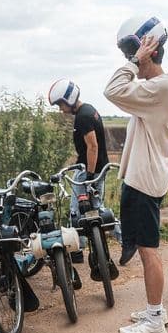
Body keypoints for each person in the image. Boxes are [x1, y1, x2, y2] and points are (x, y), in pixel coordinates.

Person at [104, 15, 168, 333]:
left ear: (149, 49)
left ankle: (154, 320)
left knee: (149, 250)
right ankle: (155, 310)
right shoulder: (153, 89)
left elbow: (112, 89)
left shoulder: (160, 88)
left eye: (129, 53)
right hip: (144, 178)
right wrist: (139, 63)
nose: (127, 60)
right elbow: (122, 92)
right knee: (145, 248)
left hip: (145, 182)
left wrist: (137, 62)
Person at [48, 79, 117, 281]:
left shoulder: (83, 117)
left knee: (75, 210)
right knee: (97, 209)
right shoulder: (89, 110)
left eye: (60, 104)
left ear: (68, 99)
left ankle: (77, 250)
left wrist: (88, 175)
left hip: (90, 170)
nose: (61, 110)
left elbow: (92, 147)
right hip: (96, 168)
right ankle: (114, 245)